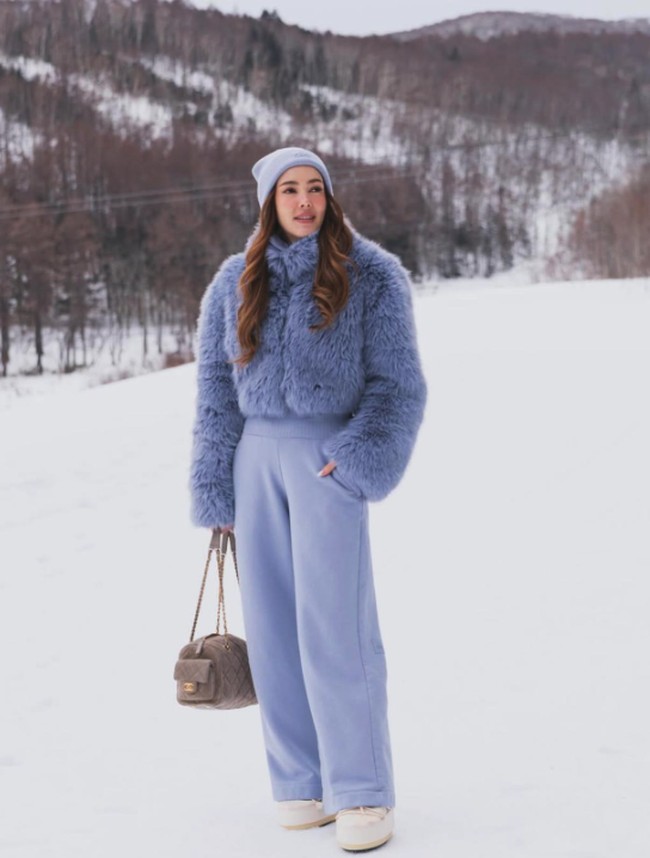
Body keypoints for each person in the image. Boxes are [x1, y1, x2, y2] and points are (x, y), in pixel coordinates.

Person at [189, 146, 427, 852]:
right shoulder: (234, 282)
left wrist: (356, 462)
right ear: (267, 202)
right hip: (254, 461)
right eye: (288, 190)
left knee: (338, 631)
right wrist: (216, 487)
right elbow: (212, 393)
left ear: (329, 196)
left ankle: (361, 792)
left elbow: (398, 386)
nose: (302, 202)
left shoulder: (371, 276)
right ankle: (301, 783)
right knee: (273, 633)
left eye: (314, 188)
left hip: (328, 462)